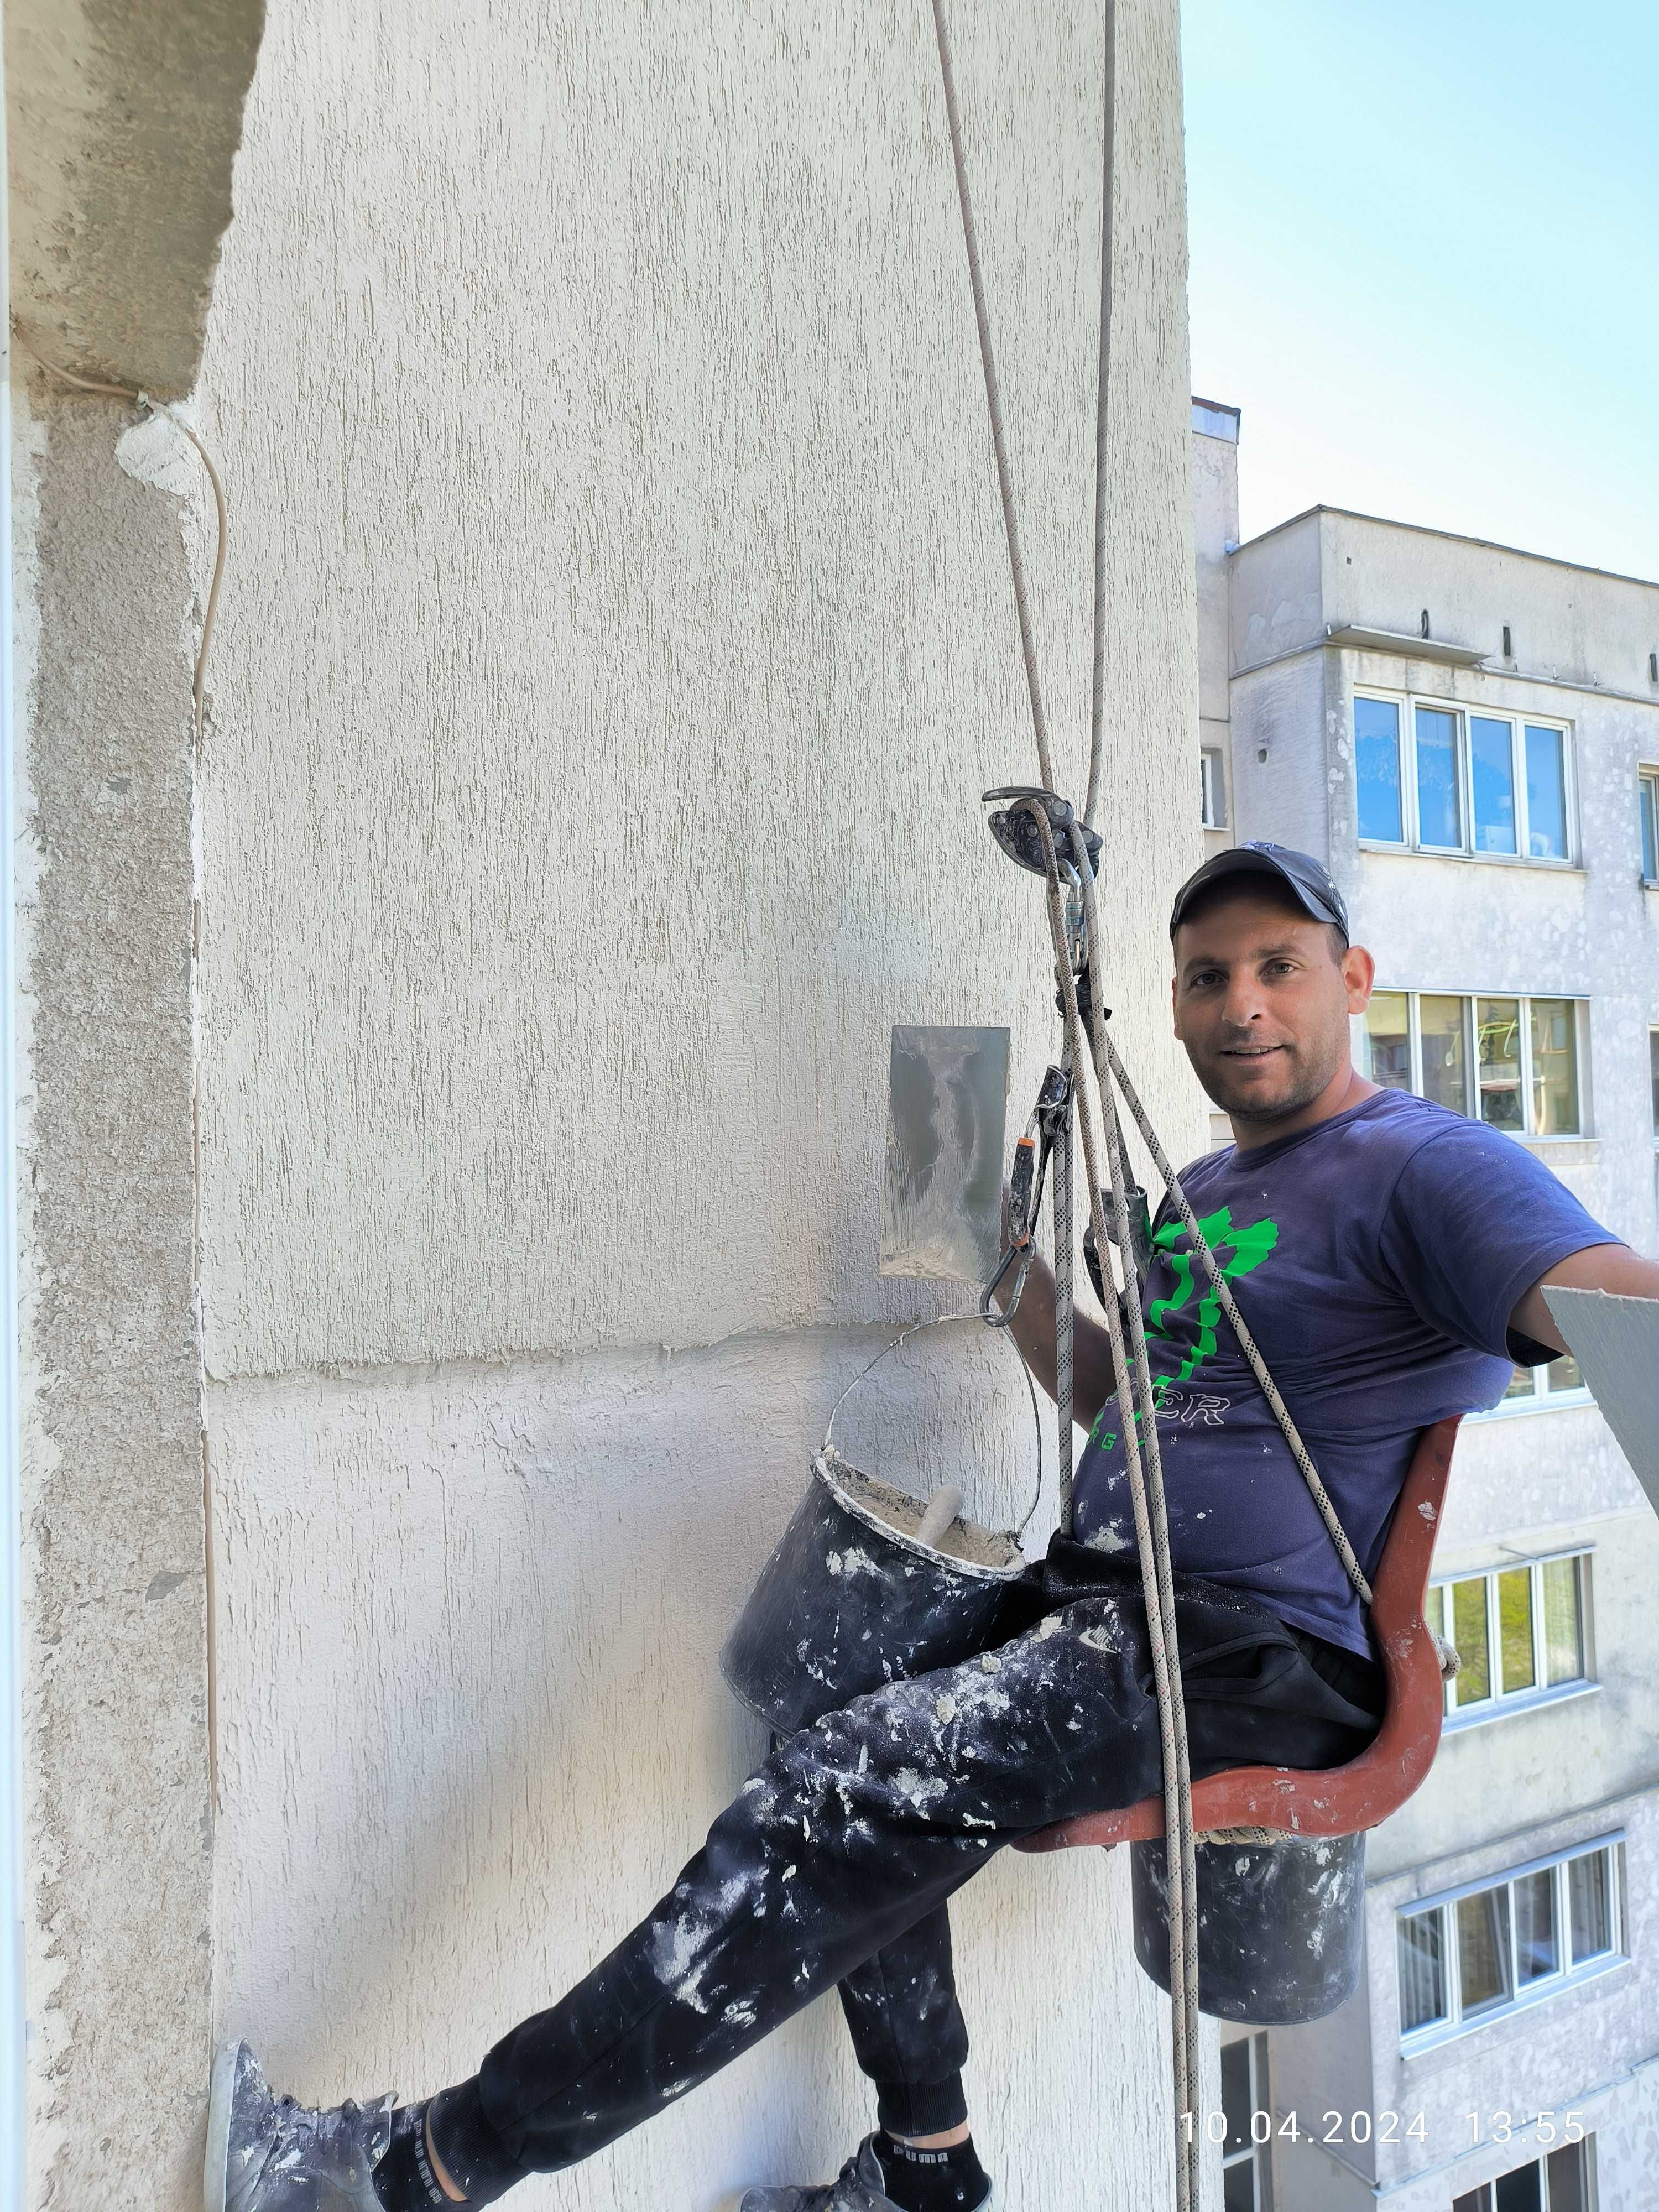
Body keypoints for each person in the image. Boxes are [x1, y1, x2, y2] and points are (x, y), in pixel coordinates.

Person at [208, 842, 1659, 2212]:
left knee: (847, 1787)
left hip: (1250, 1652)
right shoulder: (1208, 1190)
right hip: (1106, 1604)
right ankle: (927, 2172)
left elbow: (1606, 1299)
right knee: (818, 1694)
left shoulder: (1428, 1170)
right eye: (1209, 976)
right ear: (1172, 1002)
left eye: (1280, 965)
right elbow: (1122, 1399)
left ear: (1355, 978)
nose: (1245, 1004)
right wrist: (997, 1263)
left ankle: (409, 2179)